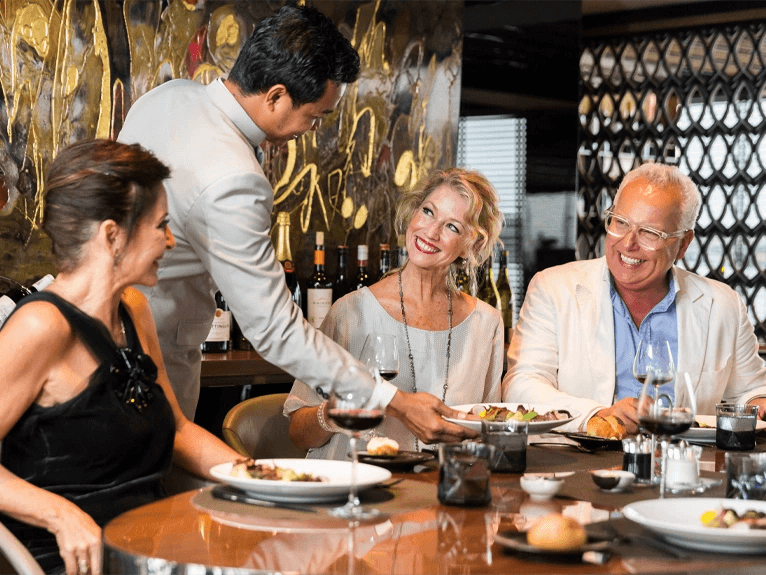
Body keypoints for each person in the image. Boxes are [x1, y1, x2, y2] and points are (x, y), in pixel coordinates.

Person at [117, 4, 474, 445]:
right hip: (151, 371)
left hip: (97, 341)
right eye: (316, 116)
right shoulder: (234, 178)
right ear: (275, 96)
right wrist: (395, 401)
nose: (312, 130)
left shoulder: (167, 97)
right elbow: (275, 329)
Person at [0, 140, 243, 575]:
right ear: (112, 235)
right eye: (161, 226)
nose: (170, 241)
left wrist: (257, 476)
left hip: (149, 553)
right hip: (74, 562)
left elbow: (178, 429)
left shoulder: (133, 309)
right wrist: (59, 514)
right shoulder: (42, 327)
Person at [504, 163, 766, 433]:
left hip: (685, 464)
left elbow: (750, 393)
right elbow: (521, 384)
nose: (628, 243)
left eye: (650, 232)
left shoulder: (723, 305)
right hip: (585, 460)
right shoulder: (553, 288)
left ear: (683, 244)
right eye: (620, 222)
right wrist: (597, 415)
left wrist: (760, 403)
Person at [285, 168, 506, 458]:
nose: (431, 231)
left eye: (452, 227)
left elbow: (489, 429)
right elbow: (299, 435)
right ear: (413, 214)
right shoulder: (351, 312)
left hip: (439, 492)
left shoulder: (486, 323)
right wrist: (333, 412)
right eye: (428, 212)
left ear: (472, 245)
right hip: (357, 488)